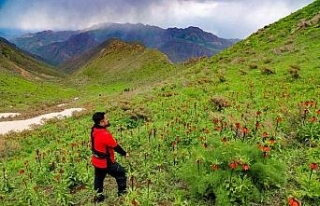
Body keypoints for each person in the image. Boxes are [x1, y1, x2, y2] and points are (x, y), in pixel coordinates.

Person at [90, 112, 129, 203]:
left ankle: (99, 197)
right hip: (105, 162)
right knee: (121, 172)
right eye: (106, 118)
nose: (108, 120)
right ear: (102, 121)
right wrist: (125, 153)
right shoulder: (104, 134)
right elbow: (115, 146)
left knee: (98, 178)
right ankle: (122, 193)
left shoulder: (94, 129)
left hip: (96, 160)